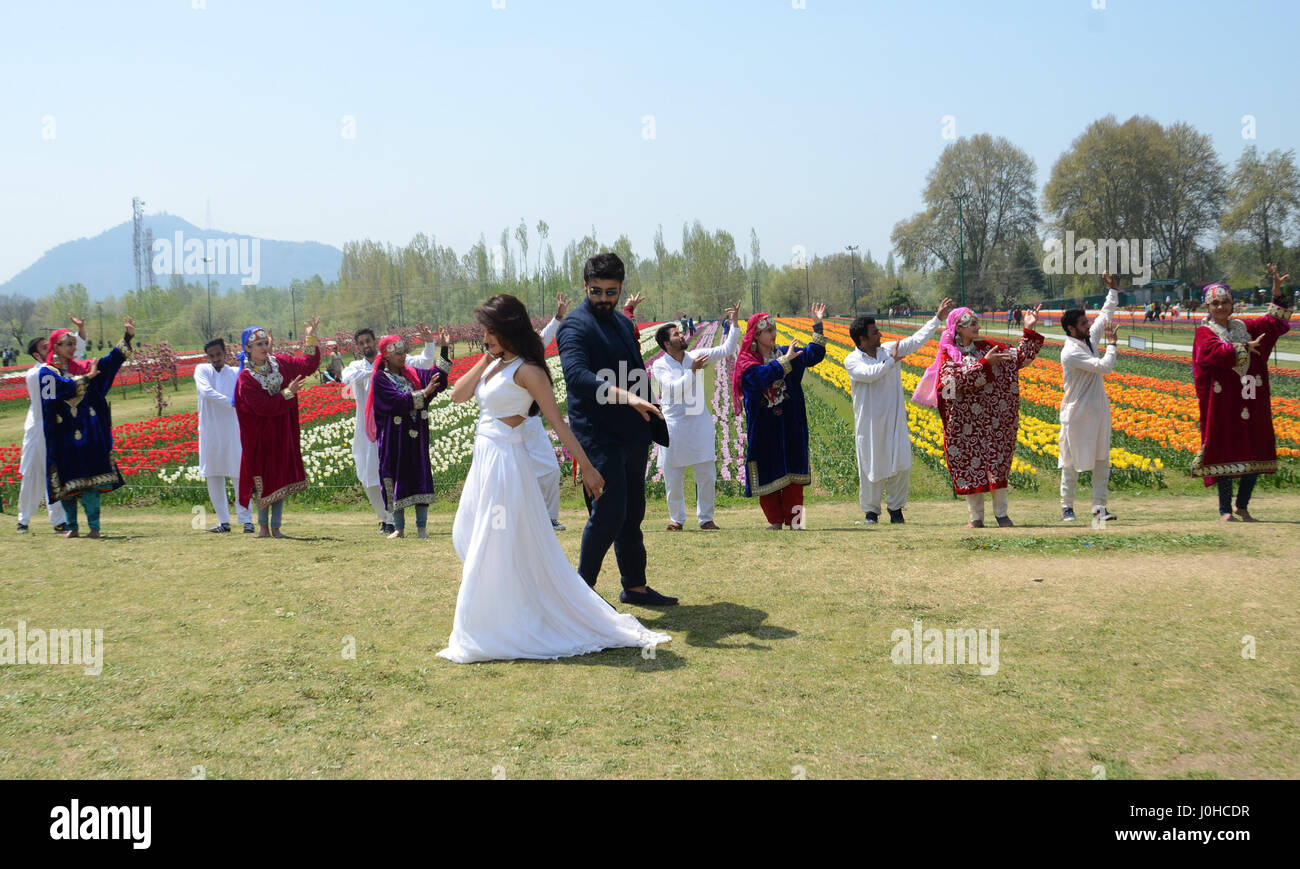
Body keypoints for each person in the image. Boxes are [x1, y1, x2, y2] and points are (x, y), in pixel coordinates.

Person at [438, 294, 670, 663]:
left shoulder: (527, 370)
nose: (486, 336)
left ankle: (487, 627)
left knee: (489, 541)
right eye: (485, 330)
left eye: (491, 330)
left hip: (506, 465)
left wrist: (589, 468)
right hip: (483, 462)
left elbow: (558, 423)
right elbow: (458, 395)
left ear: (509, 327)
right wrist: (486, 356)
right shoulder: (494, 364)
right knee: (468, 535)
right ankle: (503, 613)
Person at [557, 252, 675, 606]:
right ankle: (581, 595)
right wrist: (627, 397)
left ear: (621, 288)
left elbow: (635, 367)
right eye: (596, 291)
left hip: (633, 432)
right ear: (585, 286)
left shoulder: (623, 324)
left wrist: (648, 410)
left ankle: (634, 587)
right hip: (597, 433)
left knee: (632, 512)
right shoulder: (574, 326)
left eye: (611, 292)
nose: (604, 299)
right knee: (608, 512)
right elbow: (577, 377)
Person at [914, 304, 1044, 528]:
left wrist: (1028, 328)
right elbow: (948, 384)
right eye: (972, 324)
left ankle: (1002, 514)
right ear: (958, 327)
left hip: (993, 422)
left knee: (996, 462)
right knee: (969, 466)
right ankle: (976, 517)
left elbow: (1020, 358)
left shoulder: (987, 348)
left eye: (976, 323)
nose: (978, 327)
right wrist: (984, 366)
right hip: (965, 426)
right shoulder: (948, 353)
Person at [1191, 266, 1293, 521]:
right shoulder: (1205, 332)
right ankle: (1225, 510)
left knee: (1254, 448)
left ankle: (1243, 506)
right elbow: (1212, 352)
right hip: (1222, 403)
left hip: (1249, 398)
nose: (1221, 307)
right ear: (1208, 307)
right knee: (1224, 450)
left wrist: (1277, 292)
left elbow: (1273, 323)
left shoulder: (1244, 326)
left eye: (1225, 302)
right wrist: (1245, 347)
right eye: (1216, 303)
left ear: (1232, 304)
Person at [845, 298, 953, 524]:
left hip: (895, 420)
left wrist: (937, 319)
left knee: (901, 464)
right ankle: (871, 513)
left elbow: (915, 341)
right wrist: (892, 362)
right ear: (862, 339)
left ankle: (896, 510)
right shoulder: (852, 360)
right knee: (870, 465)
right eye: (875, 333)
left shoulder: (888, 349)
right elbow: (870, 374)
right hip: (870, 424)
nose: (880, 335)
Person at [343, 326, 450, 534]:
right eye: (398, 354)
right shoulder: (380, 379)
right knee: (394, 480)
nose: (403, 357)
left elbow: (435, 379)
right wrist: (423, 393)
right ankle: (397, 527)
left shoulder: (411, 374)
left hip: (415, 437)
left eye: (403, 353)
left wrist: (444, 349)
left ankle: (421, 529)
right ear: (388, 357)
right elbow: (395, 402)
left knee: (419, 477)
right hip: (394, 440)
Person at [733, 303, 828, 530]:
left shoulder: (788, 353)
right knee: (768, 471)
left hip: (791, 422)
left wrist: (818, 324)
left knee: (795, 473)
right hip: (765, 427)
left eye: (774, 329)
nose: (774, 334)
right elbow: (756, 379)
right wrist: (783, 363)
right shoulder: (748, 362)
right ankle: (775, 522)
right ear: (756, 335)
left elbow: (815, 354)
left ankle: (796, 521)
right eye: (768, 331)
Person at [39, 318, 135, 538]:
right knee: (67, 484)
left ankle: (94, 527)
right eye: (68, 343)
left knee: (90, 482)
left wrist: (127, 337)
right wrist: (85, 379)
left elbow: (110, 362)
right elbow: (54, 395)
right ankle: (72, 526)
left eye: (74, 343)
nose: (73, 348)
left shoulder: (84, 367)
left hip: (88, 434)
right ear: (56, 347)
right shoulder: (47, 373)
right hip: (63, 436)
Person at [651, 299, 741, 531]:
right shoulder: (661, 365)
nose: (682, 335)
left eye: (680, 333)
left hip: (699, 424)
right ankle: (676, 519)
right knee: (674, 478)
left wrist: (734, 323)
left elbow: (726, 349)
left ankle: (706, 518)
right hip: (674, 426)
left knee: (707, 475)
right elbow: (672, 389)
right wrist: (692, 372)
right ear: (666, 343)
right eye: (675, 334)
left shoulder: (695, 356)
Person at [233, 319, 321, 537]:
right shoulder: (246, 377)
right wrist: (288, 392)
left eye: (265, 342)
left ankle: (276, 527)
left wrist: (310, 337)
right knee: (263, 479)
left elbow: (307, 365)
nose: (264, 347)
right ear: (248, 349)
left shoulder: (279, 363)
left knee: (280, 478)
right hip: (261, 437)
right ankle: (262, 527)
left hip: (282, 433)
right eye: (259, 344)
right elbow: (262, 407)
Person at [1058, 274, 1121, 523]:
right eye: (1083, 324)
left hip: (1097, 412)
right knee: (1071, 463)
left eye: (1087, 322)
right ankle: (1067, 507)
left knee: (1101, 461)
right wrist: (1113, 344)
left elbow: (1104, 316)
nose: (1088, 325)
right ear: (1071, 329)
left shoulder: (1087, 341)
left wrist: (1113, 291)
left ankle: (1099, 508)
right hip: (1076, 414)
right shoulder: (1071, 352)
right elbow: (1104, 366)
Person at [17, 317, 85, 533]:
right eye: (46, 347)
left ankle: (58, 520)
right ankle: (23, 519)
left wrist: (79, 330)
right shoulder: (35, 373)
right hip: (36, 430)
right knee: (31, 474)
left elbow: (75, 350)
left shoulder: (57, 369)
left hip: (55, 429)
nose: (53, 349)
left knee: (55, 472)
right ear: (37, 354)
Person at [195, 338, 253, 533]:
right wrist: (231, 401)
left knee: (238, 475)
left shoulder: (236, 372)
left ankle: (247, 520)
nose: (215, 358)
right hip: (210, 431)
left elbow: (250, 386)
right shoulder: (202, 370)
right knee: (213, 475)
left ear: (225, 353)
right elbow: (206, 391)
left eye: (218, 354)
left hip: (232, 431)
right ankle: (223, 522)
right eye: (211, 356)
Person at [526, 291, 571, 530]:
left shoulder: (530, 356)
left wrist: (559, 315)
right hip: (511, 428)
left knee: (551, 470)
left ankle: (549, 517)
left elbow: (545, 336)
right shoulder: (512, 360)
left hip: (532, 423)